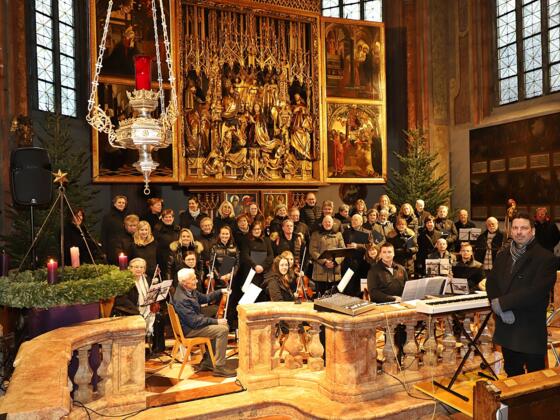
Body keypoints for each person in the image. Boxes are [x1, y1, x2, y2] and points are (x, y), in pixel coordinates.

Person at [486, 213, 558, 377]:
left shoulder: (546, 258)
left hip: (529, 329)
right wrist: (497, 306)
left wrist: (503, 303)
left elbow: (536, 291)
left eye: (524, 228)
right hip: (507, 326)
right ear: (511, 231)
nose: (519, 232)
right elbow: (492, 282)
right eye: (515, 228)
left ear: (532, 231)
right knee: (512, 374)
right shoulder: (503, 255)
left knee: (534, 378)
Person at [173, 268, 236, 378]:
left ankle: (209, 361)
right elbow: (195, 322)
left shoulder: (188, 290)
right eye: (193, 279)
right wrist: (216, 321)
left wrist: (220, 291)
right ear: (184, 282)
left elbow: (205, 298)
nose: (197, 281)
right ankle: (219, 367)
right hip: (190, 330)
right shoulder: (182, 299)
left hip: (192, 324)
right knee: (223, 329)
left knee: (222, 325)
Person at [309, 215, 346, 295]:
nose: (327, 223)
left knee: (334, 298)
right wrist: (325, 262)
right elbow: (313, 251)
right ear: (322, 223)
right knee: (320, 298)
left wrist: (335, 262)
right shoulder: (315, 234)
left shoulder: (338, 235)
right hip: (320, 272)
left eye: (329, 222)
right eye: (325, 222)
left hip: (334, 272)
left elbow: (343, 251)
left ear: (333, 223)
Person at [101, 195, 128, 262]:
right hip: (113, 248)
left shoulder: (128, 216)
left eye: (123, 203)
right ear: (114, 204)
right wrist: (103, 251)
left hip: (127, 247)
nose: (121, 204)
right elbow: (104, 234)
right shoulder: (108, 217)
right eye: (119, 202)